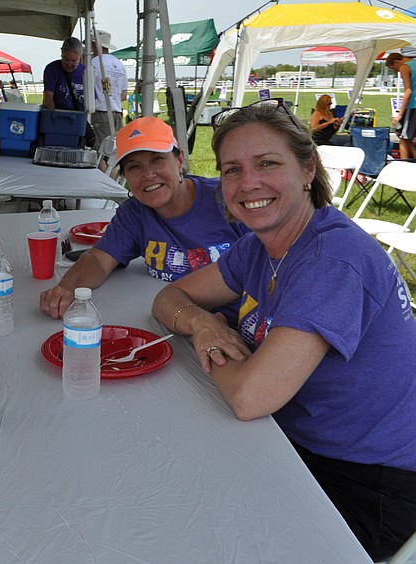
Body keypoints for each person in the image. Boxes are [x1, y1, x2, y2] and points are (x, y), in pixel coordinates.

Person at [151, 101, 416, 561]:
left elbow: (250, 398)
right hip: (297, 441)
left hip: (371, 480)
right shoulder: (258, 246)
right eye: (232, 170)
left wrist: (207, 337)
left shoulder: (330, 260)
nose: (247, 183)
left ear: (307, 168)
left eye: (267, 164)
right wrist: (202, 325)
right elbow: (169, 299)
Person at [40, 116, 249, 320]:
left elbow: (272, 266)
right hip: (174, 320)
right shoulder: (134, 214)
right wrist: (66, 289)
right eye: (134, 167)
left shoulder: (225, 199)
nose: (148, 174)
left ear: (179, 160)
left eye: (157, 160)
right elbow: (99, 259)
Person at [91, 30, 128, 150]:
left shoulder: (94, 63)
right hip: (117, 113)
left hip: (100, 112)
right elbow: (123, 95)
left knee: (100, 151)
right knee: (114, 150)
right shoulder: (119, 64)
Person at [43, 37, 86, 111]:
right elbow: (48, 96)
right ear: (61, 53)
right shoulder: (52, 69)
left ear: (80, 57)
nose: (69, 64)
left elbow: (93, 100)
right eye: (66, 60)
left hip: (79, 117)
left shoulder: (85, 72)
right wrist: (52, 116)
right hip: (58, 115)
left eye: (74, 61)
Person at [387, 52, 416, 159]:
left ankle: (403, 166)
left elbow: (408, 91)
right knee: (407, 137)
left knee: (403, 139)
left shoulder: (405, 67)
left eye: (394, 68)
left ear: (396, 62)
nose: (397, 71)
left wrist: (400, 114)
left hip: (413, 106)